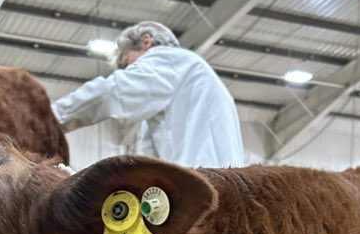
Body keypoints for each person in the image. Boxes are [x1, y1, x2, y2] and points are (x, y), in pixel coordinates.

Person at [51, 22, 245, 168]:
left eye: (127, 63)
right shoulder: (189, 76)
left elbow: (111, 92)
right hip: (221, 179)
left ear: (146, 42)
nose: (128, 71)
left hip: (206, 176)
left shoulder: (167, 60)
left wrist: (50, 118)